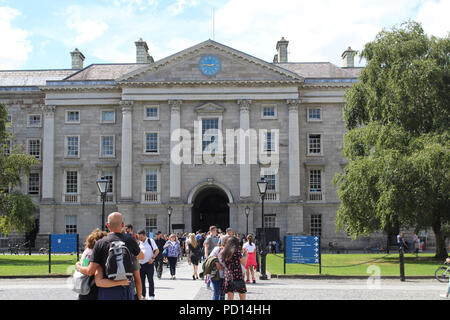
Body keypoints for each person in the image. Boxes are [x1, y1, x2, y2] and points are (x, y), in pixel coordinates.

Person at [76, 212, 144, 300]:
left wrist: (78, 267)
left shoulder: (101, 243)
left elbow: (90, 271)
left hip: (107, 290)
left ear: (107, 225)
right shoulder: (129, 240)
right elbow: (141, 256)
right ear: (122, 224)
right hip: (125, 287)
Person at [77, 228, 107, 300]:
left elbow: (84, 265)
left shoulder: (87, 251)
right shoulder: (92, 253)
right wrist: (78, 267)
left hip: (85, 287)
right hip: (91, 287)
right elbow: (87, 269)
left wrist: (78, 266)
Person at [220, 236, 248, 300]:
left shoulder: (224, 252)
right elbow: (244, 263)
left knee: (230, 296)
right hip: (237, 275)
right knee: (242, 295)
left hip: (228, 275)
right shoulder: (236, 252)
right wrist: (245, 255)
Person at [137, 229, 159, 300]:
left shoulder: (150, 241)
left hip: (149, 264)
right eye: (139, 237)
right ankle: (143, 294)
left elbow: (157, 250)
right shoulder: (139, 243)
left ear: (144, 235)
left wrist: (152, 258)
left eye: (141, 237)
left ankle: (151, 295)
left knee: (150, 280)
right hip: (141, 264)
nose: (140, 238)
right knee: (141, 281)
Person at [209, 235, 228, 300]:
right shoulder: (217, 249)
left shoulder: (230, 251)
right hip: (215, 274)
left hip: (225, 275)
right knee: (217, 292)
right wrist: (218, 264)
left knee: (223, 294)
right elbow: (210, 258)